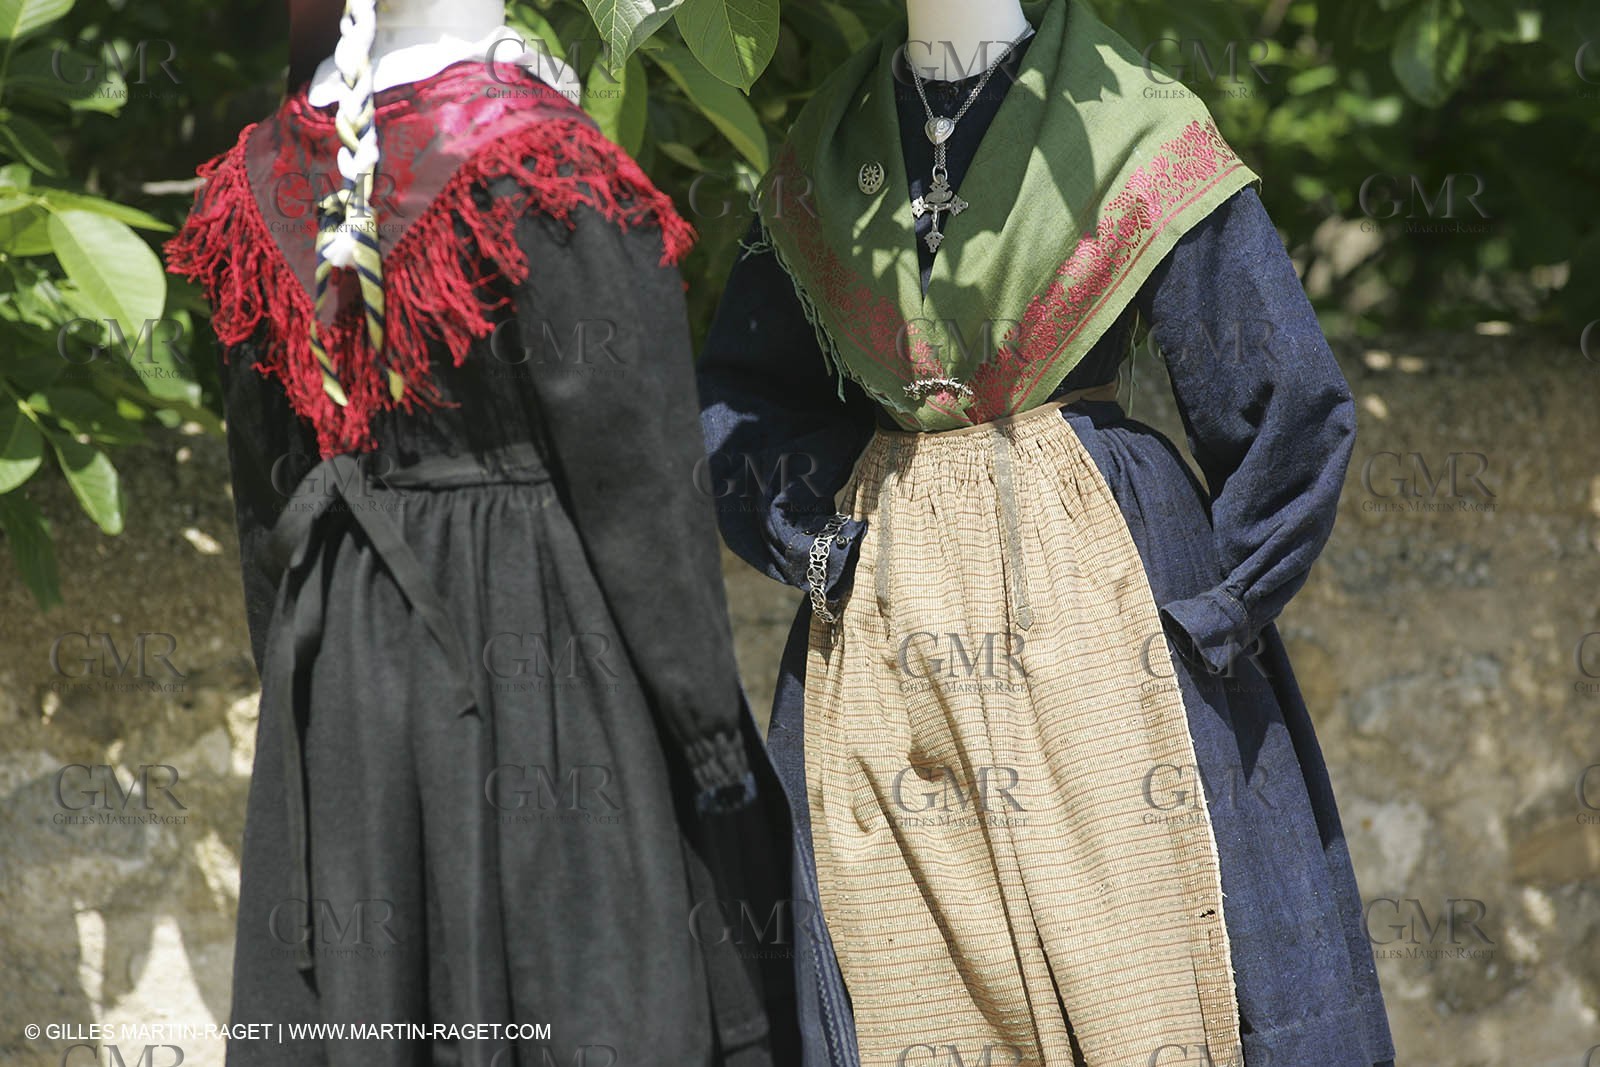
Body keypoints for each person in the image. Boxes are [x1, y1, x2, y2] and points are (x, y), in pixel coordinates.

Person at [697, 0, 1396, 1064]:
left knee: (1150, 960)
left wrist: (1211, 620)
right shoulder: (826, 152)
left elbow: (1285, 401)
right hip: (891, 639)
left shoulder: (1129, 128)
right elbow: (740, 399)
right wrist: (820, 542)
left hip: (1101, 610)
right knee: (903, 972)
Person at [167, 1, 791, 1063]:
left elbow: (266, 500)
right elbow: (641, 486)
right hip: (538, 656)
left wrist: (303, 702)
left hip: (344, 669)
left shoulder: (256, 180)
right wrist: (707, 736)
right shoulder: (545, 165)